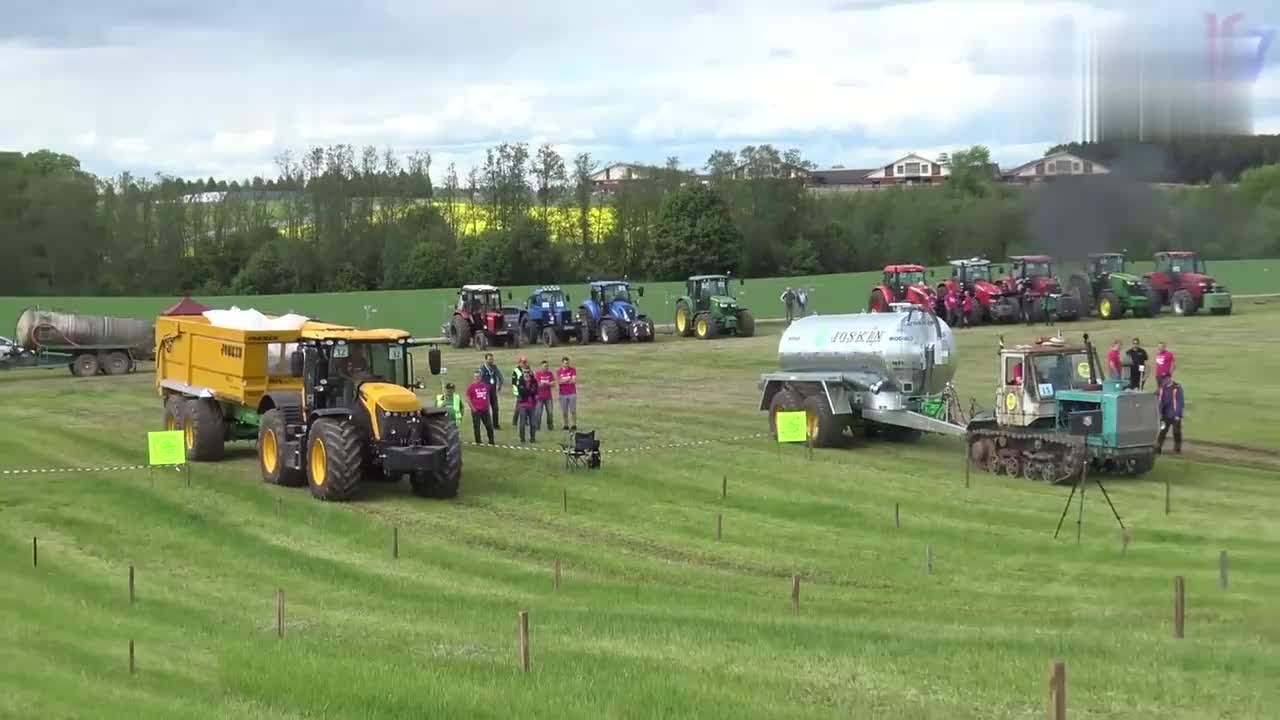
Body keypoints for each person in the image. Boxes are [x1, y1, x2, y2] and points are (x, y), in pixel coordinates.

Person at [465, 371, 495, 445]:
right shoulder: (471, 387)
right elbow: (468, 399)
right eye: (476, 376)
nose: (477, 378)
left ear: (481, 377)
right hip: (476, 410)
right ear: (474, 377)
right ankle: (478, 441)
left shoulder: (485, 386)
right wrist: (473, 408)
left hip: (485, 410)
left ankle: (491, 441)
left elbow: (490, 394)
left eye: (478, 376)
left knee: (489, 426)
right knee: (477, 427)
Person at [1157, 374, 1183, 454]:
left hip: (1175, 415)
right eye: (1163, 379)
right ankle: (1158, 447)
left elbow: (1180, 401)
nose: (1163, 381)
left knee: (1176, 431)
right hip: (1165, 415)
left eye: (1165, 379)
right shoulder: (1162, 388)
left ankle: (1177, 448)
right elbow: (1159, 400)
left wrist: (1178, 414)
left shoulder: (1177, 388)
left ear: (1169, 378)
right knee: (1162, 431)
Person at [480, 353, 503, 430]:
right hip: (486, 392)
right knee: (486, 409)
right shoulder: (482, 369)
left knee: (495, 408)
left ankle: (496, 424)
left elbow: (500, 376)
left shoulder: (494, 367)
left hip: (493, 392)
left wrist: (500, 385)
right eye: (489, 359)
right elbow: (479, 380)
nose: (491, 361)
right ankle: (488, 424)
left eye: (492, 359)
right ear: (486, 360)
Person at [515, 366, 539, 443]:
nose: (526, 374)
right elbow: (521, 392)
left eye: (528, 372)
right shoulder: (520, 381)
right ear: (522, 373)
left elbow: (535, 391)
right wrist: (529, 391)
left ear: (530, 372)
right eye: (525, 372)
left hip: (532, 405)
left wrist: (527, 391)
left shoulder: (534, 381)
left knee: (533, 423)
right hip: (523, 405)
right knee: (522, 424)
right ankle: (522, 439)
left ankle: (532, 438)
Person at [534, 359, 556, 431]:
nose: (546, 368)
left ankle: (550, 426)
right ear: (541, 367)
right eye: (544, 366)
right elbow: (537, 385)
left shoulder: (550, 374)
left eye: (547, 366)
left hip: (548, 397)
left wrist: (545, 384)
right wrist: (547, 384)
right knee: (538, 413)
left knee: (550, 412)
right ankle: (537, 427)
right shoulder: (537, 374)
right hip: (539, 397)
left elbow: (553, 384)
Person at [557, 355, 578, 430]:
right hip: (563, 394)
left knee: (573, 410)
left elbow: (574, 381)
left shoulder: (573, 370)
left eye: (568, 363)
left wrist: (564, 380)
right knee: (564, 411)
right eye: (565, 363)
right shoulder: (559, 371)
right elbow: (559, 382)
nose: (567, 365)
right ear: (562, 363)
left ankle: (574, 424)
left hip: (572, 393)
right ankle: (566, 425)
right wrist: (568, 379)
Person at [510, 356, 530, 429]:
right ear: (520, 363)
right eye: (523, 362)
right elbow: (514, 382)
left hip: (527, 391)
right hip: (519, 392)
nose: (524, 364)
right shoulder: (516, 370)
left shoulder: (528, 369)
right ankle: (515, 421)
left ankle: (525, 420)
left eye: (525, 362)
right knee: (518, 407)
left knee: (527, 406)